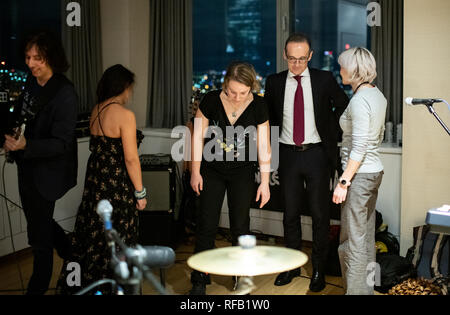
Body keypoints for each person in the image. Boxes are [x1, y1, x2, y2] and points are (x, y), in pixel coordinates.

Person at [264, 33, 349, 292]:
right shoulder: (275, 82)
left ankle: (319, 270)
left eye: (302, 59)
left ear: (310, 56)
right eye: (292, 59)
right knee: (289, 214)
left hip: (317, 155)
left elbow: (344, 105)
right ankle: (291, 266)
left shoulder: (323, 79)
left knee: (320, 215)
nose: (297, 64)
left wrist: (329, 131)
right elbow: (267, 118)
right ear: (284, 56)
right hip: (288, 154)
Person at [56, 64, 147, 294]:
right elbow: (131, 160)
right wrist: (140, 192)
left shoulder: (96, 110)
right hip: (116, 184)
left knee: (92, 236)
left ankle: (89, 286)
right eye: (130, 88)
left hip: (95, 181)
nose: (130, 93)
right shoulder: (125, 115)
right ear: (124, 87)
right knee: (119, 237)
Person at [3, 31, 78, 295]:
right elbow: (22, 118)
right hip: (28, 167)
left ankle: (36, 288)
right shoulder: (30, 84)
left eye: (38, 58)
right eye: (28, 57)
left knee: (39, 239)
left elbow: (63, 143)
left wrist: (28, 145)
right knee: (40, 222)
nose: (31, 63)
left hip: (49, 173)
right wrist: (12, 136)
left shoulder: (64, 92)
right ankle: (72, 251)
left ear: (52, 58)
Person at [189, 62, 271, 295]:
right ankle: (199, 280)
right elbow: (197, 138)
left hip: (242, 171)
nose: (237, 97)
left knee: (240, 225)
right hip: (211, 170)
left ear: (251, 88)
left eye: (243, 93)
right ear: (225, 85)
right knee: (206, 224)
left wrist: (265, 182)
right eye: (232, 92)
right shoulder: (211, 100)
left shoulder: (259, 105)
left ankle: (240, 275)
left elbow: (264, 146)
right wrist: (195, 171)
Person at [333, 47, 386, 295]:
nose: (340, 70)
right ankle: (366, 292)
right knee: (364, 239)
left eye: (342, 66)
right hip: (373, 173)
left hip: (359, 176)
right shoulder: (378, 95)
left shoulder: (359, 100)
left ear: (354, 70)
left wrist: (343, 182)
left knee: (352, 243)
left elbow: (360, 145)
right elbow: (378, 136)